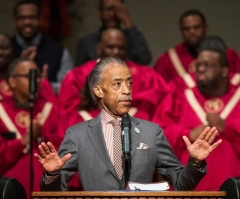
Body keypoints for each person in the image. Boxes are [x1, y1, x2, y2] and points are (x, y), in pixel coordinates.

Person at [34, 57, 221, 191]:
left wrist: (195, 162)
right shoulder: (78, 134)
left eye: (129, 83)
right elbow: (53, 193)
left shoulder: (152, 132)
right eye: (117, 84)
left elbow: (181, 184)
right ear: (98, 91)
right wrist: (52, 175)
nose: (127, 90)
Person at [152, 44, 240, 190]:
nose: (200, 68)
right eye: (198, 65)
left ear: (224, 71)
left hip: (234, 190)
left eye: (208, 65)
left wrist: (228, 127)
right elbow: (157, 133)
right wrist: (188, 133)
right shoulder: (180, 93)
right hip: (189, 190)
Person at [58, 28, 168, 120]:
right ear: (99, 49)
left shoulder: (146, 75)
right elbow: (66, 114)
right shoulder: (77, 76)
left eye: (121, 48)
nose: (116, 52)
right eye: (110, 47)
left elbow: (159, 110)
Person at [0, 58, 68, 198]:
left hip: (45, 190)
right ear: (12, 81)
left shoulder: (52, 110)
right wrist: (22, 142)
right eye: (29, 76)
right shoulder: (1, 111)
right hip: (9, 191)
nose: (36, 81)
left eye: (37, 76)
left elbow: (66, 151)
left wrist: (41, 137)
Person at [154, 9, 240, 83]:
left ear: (205, 28)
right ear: (181, 30)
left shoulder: (227, 55)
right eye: (187, 29)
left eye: (196, 27)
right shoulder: (167, 60)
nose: (192, 32)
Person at [11, 0, 73, 94]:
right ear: (14, 21)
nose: (27, 22)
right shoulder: (5, 50)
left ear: (41, 20)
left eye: (32, 17)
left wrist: (43, 84)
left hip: (48, 106)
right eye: (22, 18)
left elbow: (69, 87)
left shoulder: (58, 51)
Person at [75, 0, 151, 66]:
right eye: (107, 9)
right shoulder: (86, 42)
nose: (112, 14)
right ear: (99, 12)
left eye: (116, 9)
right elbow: (79, 75)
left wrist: (128, 21)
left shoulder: (130, 38)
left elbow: (145, 59)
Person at [0, 33, 56, 103]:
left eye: (5, 48)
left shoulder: (32, 80)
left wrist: (42, 85)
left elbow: (50, 108)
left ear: (13, 50)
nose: (0, 52)